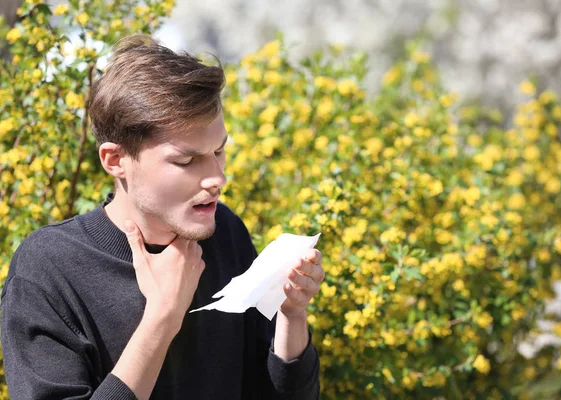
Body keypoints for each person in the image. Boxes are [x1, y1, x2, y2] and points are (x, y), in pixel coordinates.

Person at [1, 35, 323, 399]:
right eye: (186, 160)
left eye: (219, 151)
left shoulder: (226, 233)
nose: (218, 177)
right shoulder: (48, 269)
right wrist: (162, 319)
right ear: (115, 160)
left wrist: (291, 315)